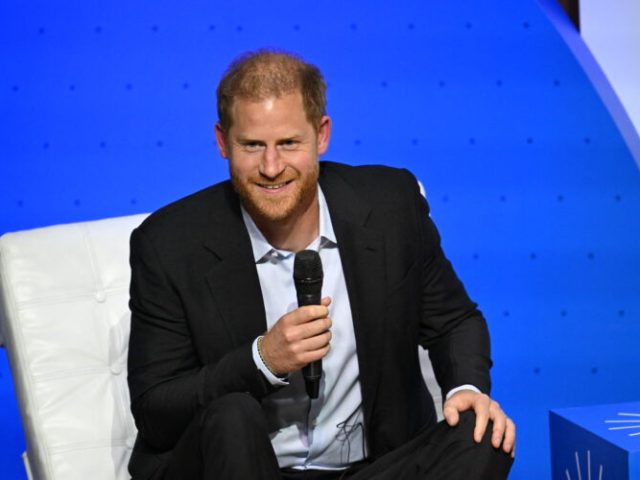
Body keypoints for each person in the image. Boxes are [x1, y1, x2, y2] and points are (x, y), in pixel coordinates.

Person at [127, 49, 516, 480]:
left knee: (484, 435)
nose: (271, 167)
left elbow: (454, 320)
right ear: (222, 142)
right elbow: (155, 409)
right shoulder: (169, 243)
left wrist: (466, 387)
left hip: (373, 467)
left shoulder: (391, 206)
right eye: (252, 145)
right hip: (247, 469)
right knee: (232, 414)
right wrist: (262, 361)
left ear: (322, 135)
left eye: (288, 143)